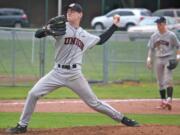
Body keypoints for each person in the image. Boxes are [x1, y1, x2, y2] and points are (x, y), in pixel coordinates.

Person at [6, 3, 139, 134]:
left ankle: (123, 118)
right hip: (57, 72)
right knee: (33, 94)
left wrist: (114, 26)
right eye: (68, 10)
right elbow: (38, 34)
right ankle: (22, 126)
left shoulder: (85, 35)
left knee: (94, 103)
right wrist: (46, 30)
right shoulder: (60, 27)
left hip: (74, 74)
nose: (69, 12)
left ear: (80, 14)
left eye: (73, 11)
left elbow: (101, 40)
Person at [146, 16, 180, 110]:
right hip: (158, 59)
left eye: (160, 23)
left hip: (168, 58)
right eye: (157, 24)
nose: (158, 25)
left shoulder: (171, 35)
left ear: (164, 24)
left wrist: (178, 57)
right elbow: (151, 48)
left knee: (168, 79)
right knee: (160, 81)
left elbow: (178, 46)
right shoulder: (154, 36)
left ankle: (169, 100)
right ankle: (163, 101)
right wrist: (149, 59)